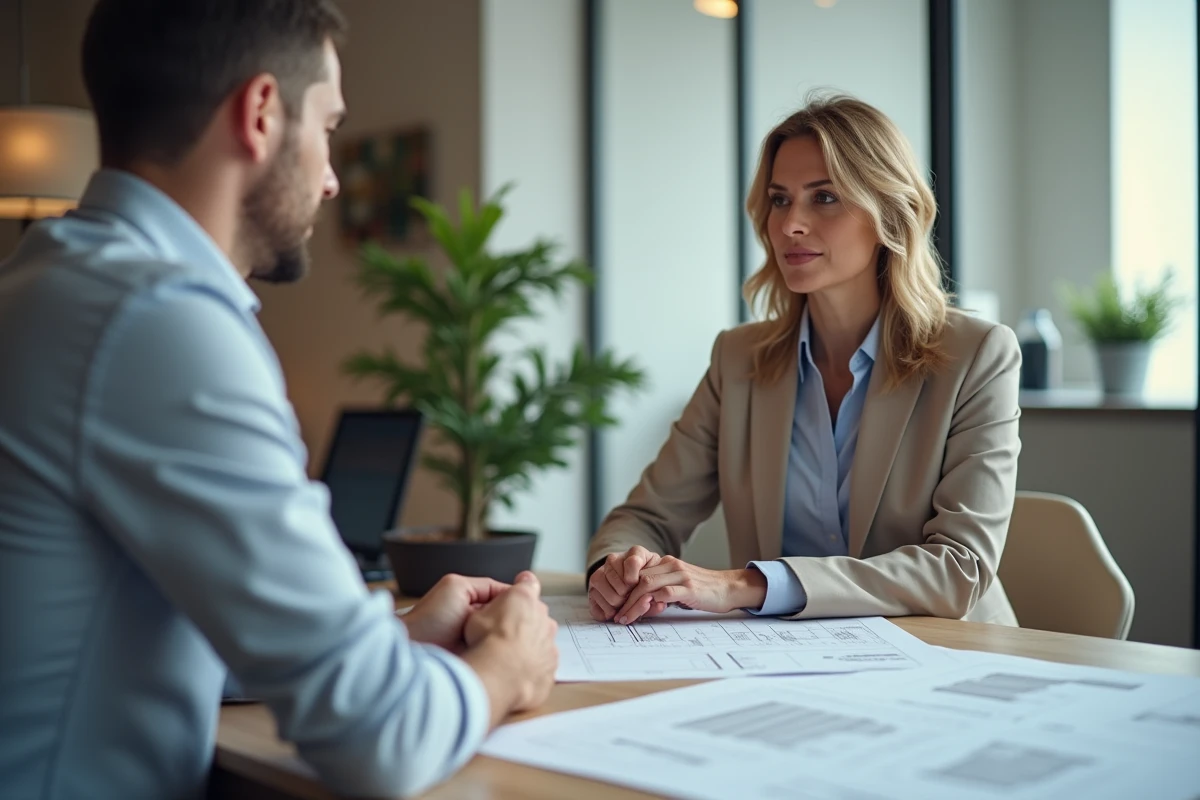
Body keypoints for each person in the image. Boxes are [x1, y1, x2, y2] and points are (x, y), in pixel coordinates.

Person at [0, 2, 557, 798]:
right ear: (260, 113)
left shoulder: (45, 285)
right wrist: (509, 664)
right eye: (328, 126)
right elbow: (378, 740)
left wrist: (394, 637)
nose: (332, 178)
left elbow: (124, 626)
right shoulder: (158, 319)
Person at [587, 95, 1021, 628]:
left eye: (825, 198)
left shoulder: (977, 356)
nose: (791, 224)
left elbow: (959, 567)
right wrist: (619, 569)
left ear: (888, 211)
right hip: (782, 664)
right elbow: (645, 518)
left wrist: (744, 585)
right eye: (779, 199)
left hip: (947, 658)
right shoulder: (737, 360)